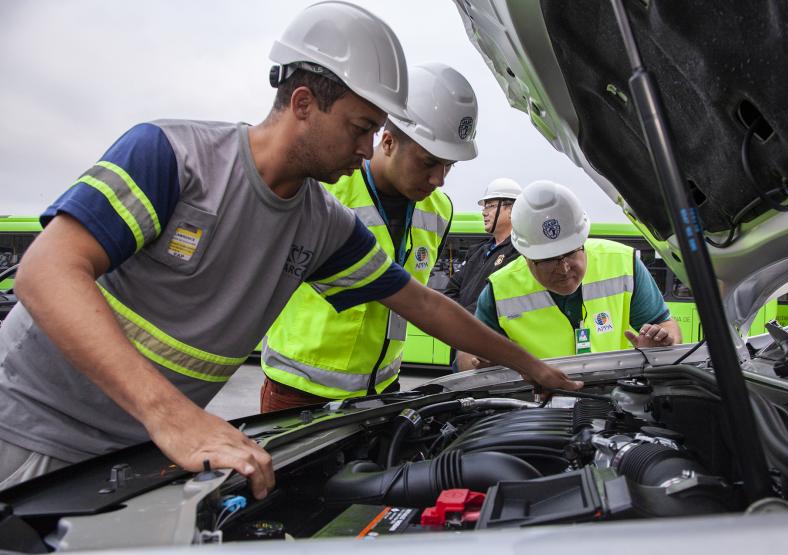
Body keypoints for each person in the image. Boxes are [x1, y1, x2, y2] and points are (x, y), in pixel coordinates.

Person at [0, 3, 581, 495]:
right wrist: (173, 416)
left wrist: (532, 368)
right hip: (29, 431)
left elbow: (423, 304)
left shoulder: (320, 222)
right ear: (302, 103)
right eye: (359, 127)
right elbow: (45, 272)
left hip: (138, 452)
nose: (365, 148)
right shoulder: (172, 156)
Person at [260, 62, 475, 410]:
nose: (439, 179)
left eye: (449, 165)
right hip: (299, 389)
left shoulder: (440, 210)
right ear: (387, 142)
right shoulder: (325, 191)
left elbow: (418, 300)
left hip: (383, 389)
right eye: (428, 161)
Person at [457, 180, 681, 370]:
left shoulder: (624, 265)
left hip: (613, 403)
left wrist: (661, 345)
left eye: (571, 253)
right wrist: (478, 363)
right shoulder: (499, 289)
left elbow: (667, 326)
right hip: (537, 409)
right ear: (525, 256)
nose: (564, 268)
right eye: (549, 260)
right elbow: (466, 356)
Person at [443, 178, 522, 313]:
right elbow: (451, 289)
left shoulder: (519, 252)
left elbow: (497, 298)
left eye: (490, 206)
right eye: (484, 207)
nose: (484, 212)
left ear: (512, 210)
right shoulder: (477, 252)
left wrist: (463, 320)